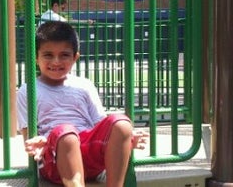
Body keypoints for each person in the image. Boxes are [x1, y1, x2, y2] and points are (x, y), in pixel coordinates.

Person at [16, 21, 147, 187]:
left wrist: (124, 137)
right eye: (48, 55)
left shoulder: (84, 85)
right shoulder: (28, 90)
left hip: (89, 156)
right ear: (36, 57)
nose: (56, 62)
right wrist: (38, 142)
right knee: (66, 133)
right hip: (54, 158)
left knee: (122, 123)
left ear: (75, 57)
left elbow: (101, 125)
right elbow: (30, 138)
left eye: (64, 55)